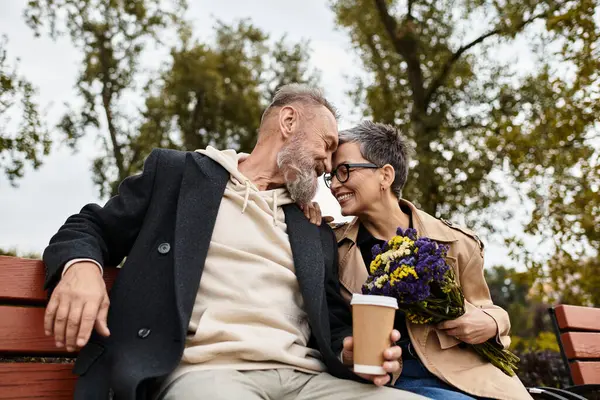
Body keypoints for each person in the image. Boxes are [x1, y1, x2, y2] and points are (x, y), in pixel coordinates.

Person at [42, 85, 424, 400]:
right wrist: (81, 268)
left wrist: (349, 352)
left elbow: (334, 323)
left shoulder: (312, 226)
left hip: (306, 381)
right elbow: (89, 225)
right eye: (325, 145)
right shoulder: (180, 175)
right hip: (210, 373)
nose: (327, 164)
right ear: (288, 121)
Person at [324, 121, 533, 400]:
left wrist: (492, 323)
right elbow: (330, 326)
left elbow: (485, 307)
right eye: (332, 176)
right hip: (392, 380)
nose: (335, 185)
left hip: (469, 374)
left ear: (385, 175)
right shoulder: (331, 247)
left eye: (344, 171)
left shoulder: (457, 242)